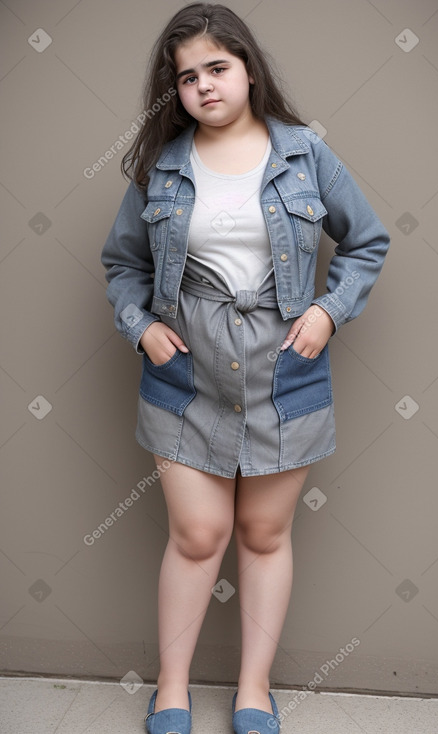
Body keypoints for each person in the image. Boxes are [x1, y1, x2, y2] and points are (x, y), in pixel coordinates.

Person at [101, 4, 390, 733]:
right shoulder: (160, 166)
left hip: (282, 366)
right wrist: (141, 330)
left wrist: (326, 312)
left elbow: (366, 243)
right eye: (187, 76)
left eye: (217, 68)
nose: (203, 86)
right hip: (186, 368)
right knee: (197, 535)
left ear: (248, 69)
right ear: (175, 89)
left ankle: (253, 689)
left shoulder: (303, 153)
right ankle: (170, 687)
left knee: (263, 534)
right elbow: (121, 264)